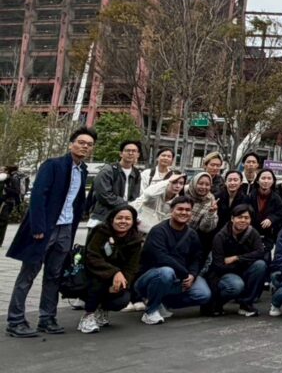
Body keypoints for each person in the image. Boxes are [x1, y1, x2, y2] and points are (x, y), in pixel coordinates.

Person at [6, 126, 94, 338]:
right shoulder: (53, 165)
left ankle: (47, 318)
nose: (85, 147)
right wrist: (38, 227)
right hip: (46, 228)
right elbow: (38, 196)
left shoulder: (82, 170)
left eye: (89, 145)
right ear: (71, 144)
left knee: (54, 275)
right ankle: (15, 320)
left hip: (66, 228)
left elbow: (77, 202)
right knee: (28, 274)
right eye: (81, 142)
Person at [134, 196, 212, 324]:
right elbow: (161, 257)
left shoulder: (192, 234)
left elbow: (197, 257)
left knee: (203, 294)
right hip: (151, 278)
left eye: (187, 210)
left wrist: (192, 275)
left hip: (179, 277)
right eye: (180, 209)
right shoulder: (158, 231)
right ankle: (150, 311)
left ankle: (162, 302)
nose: (184, 212)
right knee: (166, 272)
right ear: (172, 210)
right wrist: (185, 274)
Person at [79, 204, 144, 333]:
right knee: (98, 283)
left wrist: (123, 282)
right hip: (93, 273)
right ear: (112, 219)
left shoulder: (135, 239)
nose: (123, 221)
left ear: (133, 221)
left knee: (122, 299)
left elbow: (132, 267)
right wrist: (115, 272)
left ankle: (102, 309)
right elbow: (92, 256)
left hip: (117, 278)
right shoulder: (101, 231)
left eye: (128, 219)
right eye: (119, 218)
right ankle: (88, 315)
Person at [205, 204, 267, 317]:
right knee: (237, 285)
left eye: (246, 218)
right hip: (223, 273)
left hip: (240, 267)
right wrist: (242, 264)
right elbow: (218, 265)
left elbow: (260, 252)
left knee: (260, 265)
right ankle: (217, 303)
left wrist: (237, 258)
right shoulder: (220, 236)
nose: (243, 220)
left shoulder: (252, 233)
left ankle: (246, 304)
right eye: (239, 217)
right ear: (232, 218)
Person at [88, 140, 143, 228]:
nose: (130, 153)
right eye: (127, 150)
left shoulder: (136, 173)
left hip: (124, 218)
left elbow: (135, 196)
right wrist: (126, 204)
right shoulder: (107, 171)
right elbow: (103, 195)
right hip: (103, 217)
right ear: (121, 153)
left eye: (134, 151)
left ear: (138, 155)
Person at [185, 172, 220, 252]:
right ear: (194, 183)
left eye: (207, 184)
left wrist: (210, 213)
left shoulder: (211, 201)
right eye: (200, 183)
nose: (204, 187)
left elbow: (205, 229)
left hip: (193, 241)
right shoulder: (184, 192)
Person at [0, 163, 27, 248]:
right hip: (7, 202)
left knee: (2, 222)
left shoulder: (13, 179)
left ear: (8, 171)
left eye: (3, 170)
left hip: (7, 203)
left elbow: (16, 191)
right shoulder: (7, 179)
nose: (1, 171)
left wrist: (5, 188)